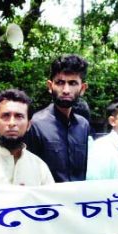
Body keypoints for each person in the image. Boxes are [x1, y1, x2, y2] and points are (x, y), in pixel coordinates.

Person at [25, 54, 90, 182]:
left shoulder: (83, 125)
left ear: (82, 88)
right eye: (60, 82)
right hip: (47, 200)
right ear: (50, 86)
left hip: (77, 199)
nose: (66, 90)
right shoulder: (35, 125)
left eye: (72, 83)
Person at [0, 89, 54, 186]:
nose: (12, 123)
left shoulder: (40, 167)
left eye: (19, 116)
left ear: (28, 125)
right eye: (5, 116)